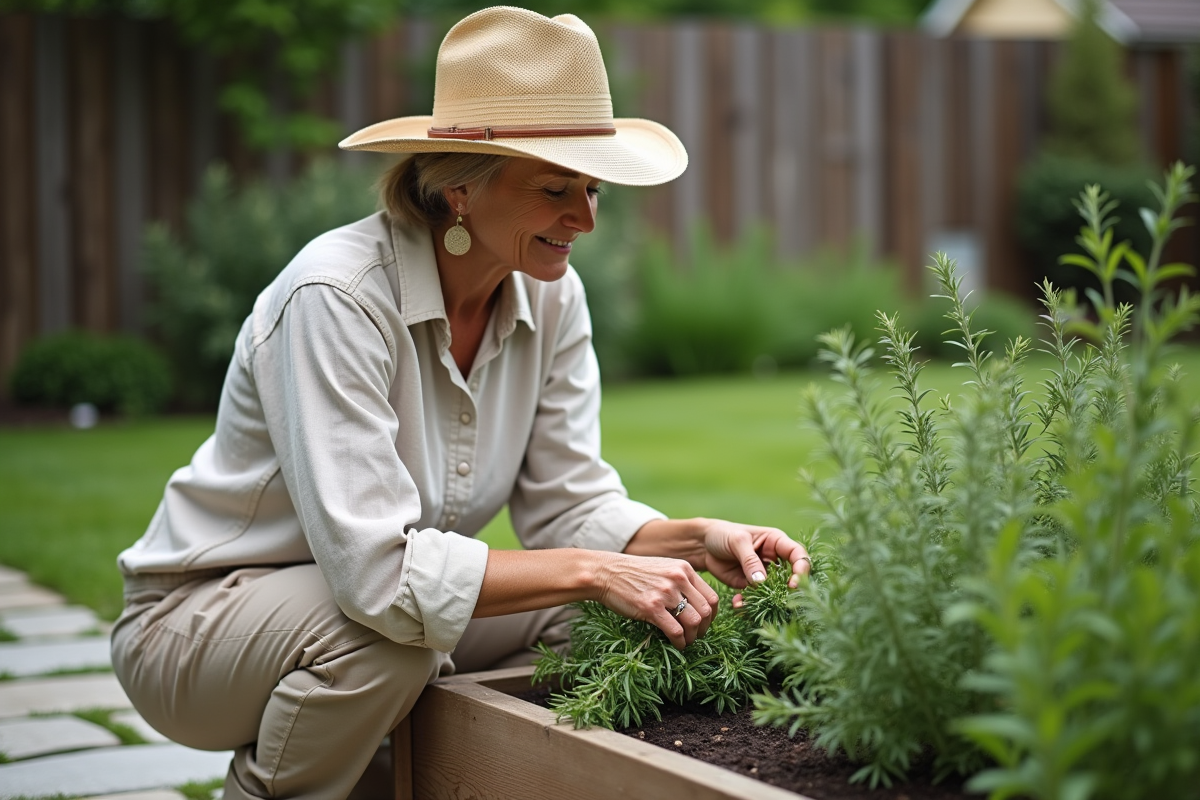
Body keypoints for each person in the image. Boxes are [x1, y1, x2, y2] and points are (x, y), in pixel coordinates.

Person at [110, 6, 811, 799]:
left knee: (612, 617)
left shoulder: (553, 299)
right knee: (390, 636)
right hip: (197, 629)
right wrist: (597, 570)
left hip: (358, 611)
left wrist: (690, 542)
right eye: (555, 188)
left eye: (591, 189)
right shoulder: (335, 295)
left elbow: (569, 501)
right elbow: (378, 578)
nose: (583, 219)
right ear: (458, 190)